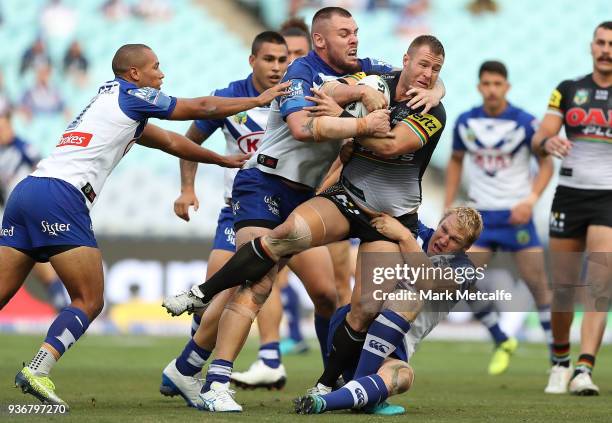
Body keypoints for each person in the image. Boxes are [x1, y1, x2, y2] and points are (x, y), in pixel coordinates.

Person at [163, 30, 447, 411]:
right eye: (345, 34)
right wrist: (357, 110)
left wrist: (432, 90)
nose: (354, 41)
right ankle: (213, 353)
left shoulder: (411, 95)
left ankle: (328, 384)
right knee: (265, 270)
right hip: (273, 187)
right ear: (320, 42)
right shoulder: (312, 78)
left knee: (349, 301)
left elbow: (394, 143)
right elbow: (307, 121)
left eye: (436, 69)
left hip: (379, 212)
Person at [0, 42, 289, 408]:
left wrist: (218, 159)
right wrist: (256, 100)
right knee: (89, 300)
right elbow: (197, 109)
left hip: (26, 192)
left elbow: (169, 141)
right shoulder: (133, 95)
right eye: (156, 66)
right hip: (61, 196)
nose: (162, 73)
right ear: (135, 74)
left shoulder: (112, 102)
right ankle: (37, 370)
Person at [159, 31, 336, 406]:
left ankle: (328, 376)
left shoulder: (308, 94)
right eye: (269, 59)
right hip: (242, 207)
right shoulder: (232, 97)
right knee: (239, 287)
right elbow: (189, 141)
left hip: (296, 203)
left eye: (284, 59)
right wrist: (187, 189)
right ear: (252, 60)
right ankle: (209, 368)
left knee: (325, 293)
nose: (277, 67)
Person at [294, 207, 484, 414]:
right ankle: (345, 387)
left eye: (455, 240)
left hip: (393, 350)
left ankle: (325, 401)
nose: (444, 239)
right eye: (444, 229)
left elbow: (427, 282)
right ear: (439, 223)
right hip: (353, 329)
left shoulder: (465, 271)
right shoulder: (415, 230)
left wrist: (403, 236)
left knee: (404, 376)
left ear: (466, 247)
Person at [444, 60, 554, 375]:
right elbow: (454, 161)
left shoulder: (525, 123)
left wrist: (531, 200)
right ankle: (500, 337)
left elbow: (546, 165)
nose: (492, 89)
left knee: (538, 286)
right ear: (479, 87)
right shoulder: (466, 121)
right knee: (458, 282)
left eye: (497, 84)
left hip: (516, 216)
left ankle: (556, 360)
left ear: (507, 86)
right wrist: (449, 204)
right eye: (486, 84)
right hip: (481, 218)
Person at [532, 21, 612, 396]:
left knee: (599, 285)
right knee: (563, 289)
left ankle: (584, 369)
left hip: (607, 198)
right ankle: (560, 361)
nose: (606, 49)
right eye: (601, 42)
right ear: (591, 46)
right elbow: (541, 136)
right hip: (569, 194)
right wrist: (548, 144)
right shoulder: (568, 90)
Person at [0, 111, 70, 311]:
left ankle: (63, 303)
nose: (3, 132)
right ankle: (60, 302)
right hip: (11, 214)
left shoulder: (23, 148)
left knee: (33, 256)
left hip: (29, 210)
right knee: (34, 259)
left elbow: (43, 169)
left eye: (5, 127)